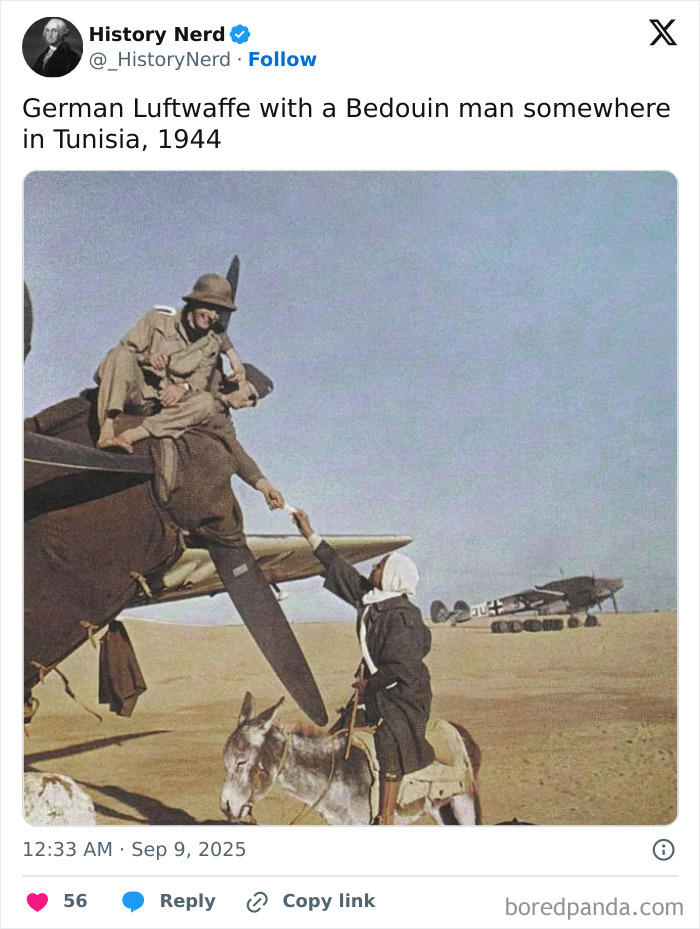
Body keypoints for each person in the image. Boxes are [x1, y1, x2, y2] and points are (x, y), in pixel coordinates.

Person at [292, 509, 434, 824]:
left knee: (388, 741)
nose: (374, 565)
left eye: (381, 565)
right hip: (379, 690)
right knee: (341, 731)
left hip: (405, 696)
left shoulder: (403, 617)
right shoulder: (372, 600)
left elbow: (402, 668)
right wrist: (309, 533)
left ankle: (384, 818)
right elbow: (341, 570)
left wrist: (369, 684)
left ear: (393, 576)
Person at [95, 273, 237, 453]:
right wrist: (147, 359)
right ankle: (107, 429)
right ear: (194, 302)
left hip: (166, 406)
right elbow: (126, 350)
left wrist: (182, 388)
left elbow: (200, 382)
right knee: (120, 355)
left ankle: (130, 436)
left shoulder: (212, 343)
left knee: (206, 402)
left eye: (219, 311)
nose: (213, 315)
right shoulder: (158, 318)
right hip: (138, 391)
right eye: (210, 307)